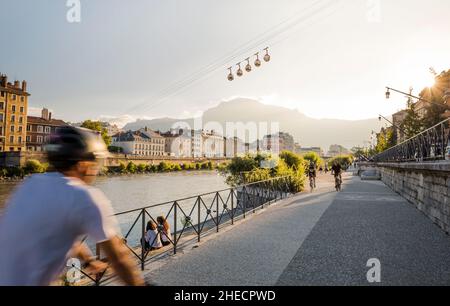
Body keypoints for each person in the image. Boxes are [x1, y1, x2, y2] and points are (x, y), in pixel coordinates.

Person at [0, 126, 144, 286]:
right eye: (96, 163)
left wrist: (88, 260)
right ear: (83, 164)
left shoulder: (29, 185)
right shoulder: (83, 195)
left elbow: (57, 231)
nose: (96, 170)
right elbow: (119, 259)